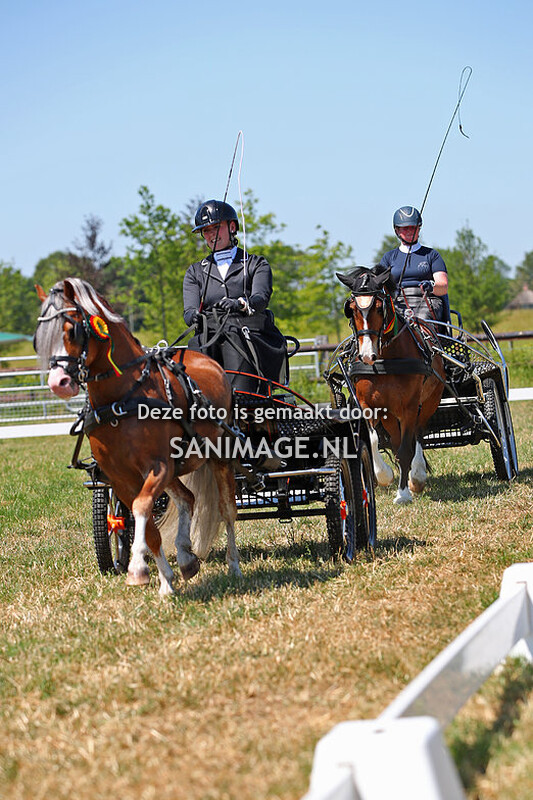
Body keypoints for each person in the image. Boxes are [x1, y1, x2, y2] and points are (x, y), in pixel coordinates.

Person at [183, 199, 287, 393]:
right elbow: (189, 309)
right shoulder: (195, 272)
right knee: (193, 348)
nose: (212, 235)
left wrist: (240, 304)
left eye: (216, 228)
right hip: (209, 336)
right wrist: (193, 317)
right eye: (206, 231)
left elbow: (261, 298)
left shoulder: (256, 264)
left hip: (245, 333)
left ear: (232, 227)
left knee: (234, 338)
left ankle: (242, 395)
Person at [379, 206, 449, 322]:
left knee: (419, 321)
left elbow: (443, 286)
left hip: (427, 300)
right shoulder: (388, 258)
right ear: (397, 230)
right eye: (405, 228)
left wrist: (431, 286)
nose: (409, 231)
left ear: (419, 228)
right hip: (398, 301)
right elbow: (379, 284)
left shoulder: (432, 255)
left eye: (413, 227)